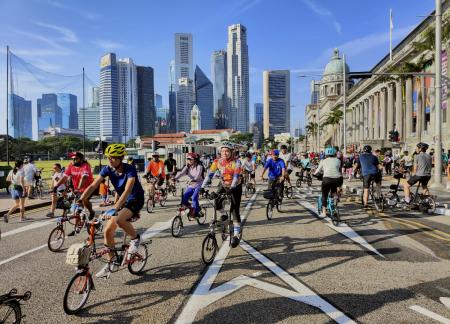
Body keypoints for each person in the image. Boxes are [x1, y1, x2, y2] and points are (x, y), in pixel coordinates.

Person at [81, 143, 145, 278]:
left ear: (121, 158)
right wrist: (80, 200)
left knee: (120, 220)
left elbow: (128, 190)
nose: (110, 160)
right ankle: (112, 262)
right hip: (122, 201)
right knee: (107, 232)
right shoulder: (107, 169)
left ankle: (136, 239)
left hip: (135, 200)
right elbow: (93, 185)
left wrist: (115, 207)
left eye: (113, 158)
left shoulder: (130, 169)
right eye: (108, 157)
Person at [202, 142, 242, 248]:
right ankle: (224, 214)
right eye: (223, 151)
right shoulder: (217, 161)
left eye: (227, 151)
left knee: (234, 210)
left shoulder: (236, 162)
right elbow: (209, 174)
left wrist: (232, 188)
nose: (225, 153)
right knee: (217, 204)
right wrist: (202, 187)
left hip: (235, 186)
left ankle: (237, 235)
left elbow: (236, 177)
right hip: (223, 184)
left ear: (232, 152)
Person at [53, 151, 94, 235]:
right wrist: (56, 187)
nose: (74, 160)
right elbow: (64, 177)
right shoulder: (71, 165)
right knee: (77, 211)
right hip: (77, 190)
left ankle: (91, 212)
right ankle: (76, 228)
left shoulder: (85, 165)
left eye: (76, 159)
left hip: (88, 188)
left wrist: (78, 188)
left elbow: (84, 177)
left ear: (81, 159)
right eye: (73, 159)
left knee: (84, 200)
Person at [314, 147, 343, 217]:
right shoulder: (338, 160)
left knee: (324, 195)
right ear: (334, 153)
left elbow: (317, 171)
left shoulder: (323, 161)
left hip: (327, 179)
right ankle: (334, 200)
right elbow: (338, 169)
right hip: (338, 179)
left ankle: (324, 212)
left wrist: (314, 174)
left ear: (326, 154)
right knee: (334, 190)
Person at [174, 153, 205, 217]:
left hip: (199, 184)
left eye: (191, 159)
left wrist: (193, 180)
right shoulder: (187, 167)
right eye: (188, 159)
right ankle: (192, 208)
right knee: (184, 199)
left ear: (195, 160)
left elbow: (197, 175)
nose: (189, 161)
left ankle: (197, 211)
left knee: (194, 198)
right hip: (191, 184)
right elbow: (181, 173)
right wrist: (174, 178)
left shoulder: (199, 167)